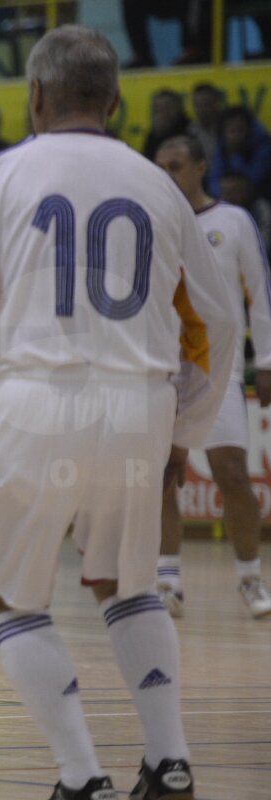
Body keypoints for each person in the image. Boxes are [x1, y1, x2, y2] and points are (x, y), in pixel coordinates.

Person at [0, 26, 237, 800]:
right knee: (128, 583)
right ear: (116, 101)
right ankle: (169, 765)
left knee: (7, 590)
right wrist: (186, 425)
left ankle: (81, 776)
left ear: (33, 96)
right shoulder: (159, 185)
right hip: (140, 402)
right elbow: (220, 319)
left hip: (36, 394)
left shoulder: (0, 176)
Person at [154, 135, 271, 619]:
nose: (167, 174)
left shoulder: (234, 221)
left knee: (230, 472)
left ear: (201, 166)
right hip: (162, 370)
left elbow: (259, 293)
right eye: (160, 167)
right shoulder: (152, 222)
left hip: (218, 370)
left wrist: (265, 360)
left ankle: (250, 577)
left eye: (176, 165)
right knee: (161, 477)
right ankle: (167, 579)